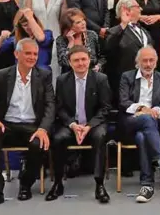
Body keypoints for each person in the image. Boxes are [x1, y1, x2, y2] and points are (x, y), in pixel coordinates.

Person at [0, 39, 54, 211]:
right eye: (28, 53)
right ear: (16, 54)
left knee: (39, 143)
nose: (32, 57)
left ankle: (26, 184)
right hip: (7, 125)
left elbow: (51, 105)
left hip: (32, 126)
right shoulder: (2, 75)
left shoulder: (44, 75)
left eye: (35, 54)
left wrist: (43, 129)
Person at [47, 45, 112, 203]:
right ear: (70, 63)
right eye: (76, 60)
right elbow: (60, 108)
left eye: (84, 59)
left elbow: (106, 108)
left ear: (89, 60)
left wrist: (89, 126)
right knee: (58, 138)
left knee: (100, 136)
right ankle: (57, 183)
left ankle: (99, 185)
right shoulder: (62, 80)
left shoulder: (100, 79)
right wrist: (72, 125)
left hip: (93, 123)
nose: (81, 63)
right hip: (71, 124)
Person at [119, 46, 160, 203]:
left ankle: (147, 185)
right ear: (137, 62)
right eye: (144, 61)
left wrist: (154, 111)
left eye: (151, 60)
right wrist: (142, 109)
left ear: (156, 61)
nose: (148, 64)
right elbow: (123, 101)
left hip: (154, 123)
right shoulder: (127, 77)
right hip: (132, 120)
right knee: (146, 120)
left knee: (142, 137)